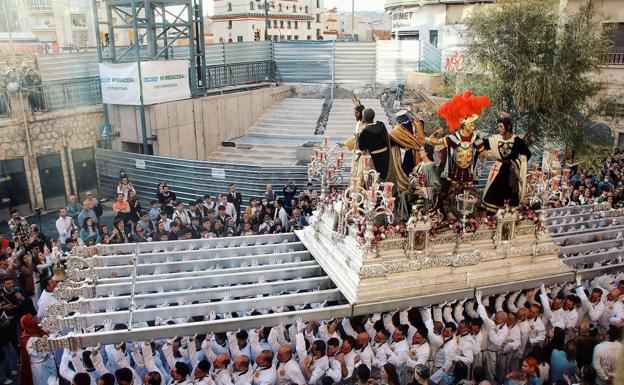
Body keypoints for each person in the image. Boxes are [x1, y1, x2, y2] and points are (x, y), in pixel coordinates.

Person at [481, 115, 532, 213]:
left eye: (501, 126)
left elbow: (527, 154)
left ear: (508, 127)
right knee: (492, 192)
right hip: (498, 170)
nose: (498, 129)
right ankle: (491, 217)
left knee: (509, 196)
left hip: (511, 174)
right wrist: (473, 138)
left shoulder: (517, 141)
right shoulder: (495, 140)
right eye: (498, 126)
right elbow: (483, 143)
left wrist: (516, 163)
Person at [398, 142, 441, 221]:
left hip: (426, 197)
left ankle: (416, 218)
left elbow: (437, 187)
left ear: (426, 152)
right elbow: (412, 175)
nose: (419, 152)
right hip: (417, 192)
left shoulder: (432, 167)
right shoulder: (420, 164)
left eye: (421, 150)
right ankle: (404, 219)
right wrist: (414, 183)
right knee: (405, 194)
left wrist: (423, 190)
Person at [19, 314, 57, 385]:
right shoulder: (27, 339)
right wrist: (53, 337)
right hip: (40, 368)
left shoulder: (37, 331)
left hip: (48, 363)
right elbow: (43, 352)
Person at [357, 108, 391, 181]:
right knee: (384, 175)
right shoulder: (381, 125)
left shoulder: (364, 131)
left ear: (364, 118)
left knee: (374, 177)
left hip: (374, 158)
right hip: (385, 155)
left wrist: (359, 137)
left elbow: (362, 149)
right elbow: (387, 139)